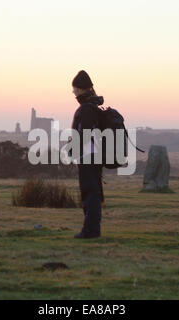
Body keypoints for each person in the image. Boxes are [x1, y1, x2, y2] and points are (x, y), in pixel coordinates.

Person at [70, 70, 104, 239]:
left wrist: (72, 149)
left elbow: (85, 134)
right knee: (93, 193)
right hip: (93, 155)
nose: (73, 92)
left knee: (90, 194)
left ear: (81, 89)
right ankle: (92, 229)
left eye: (75, 88)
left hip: (88, 156)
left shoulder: (87, 109)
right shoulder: (93, 106)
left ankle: (90, 231)